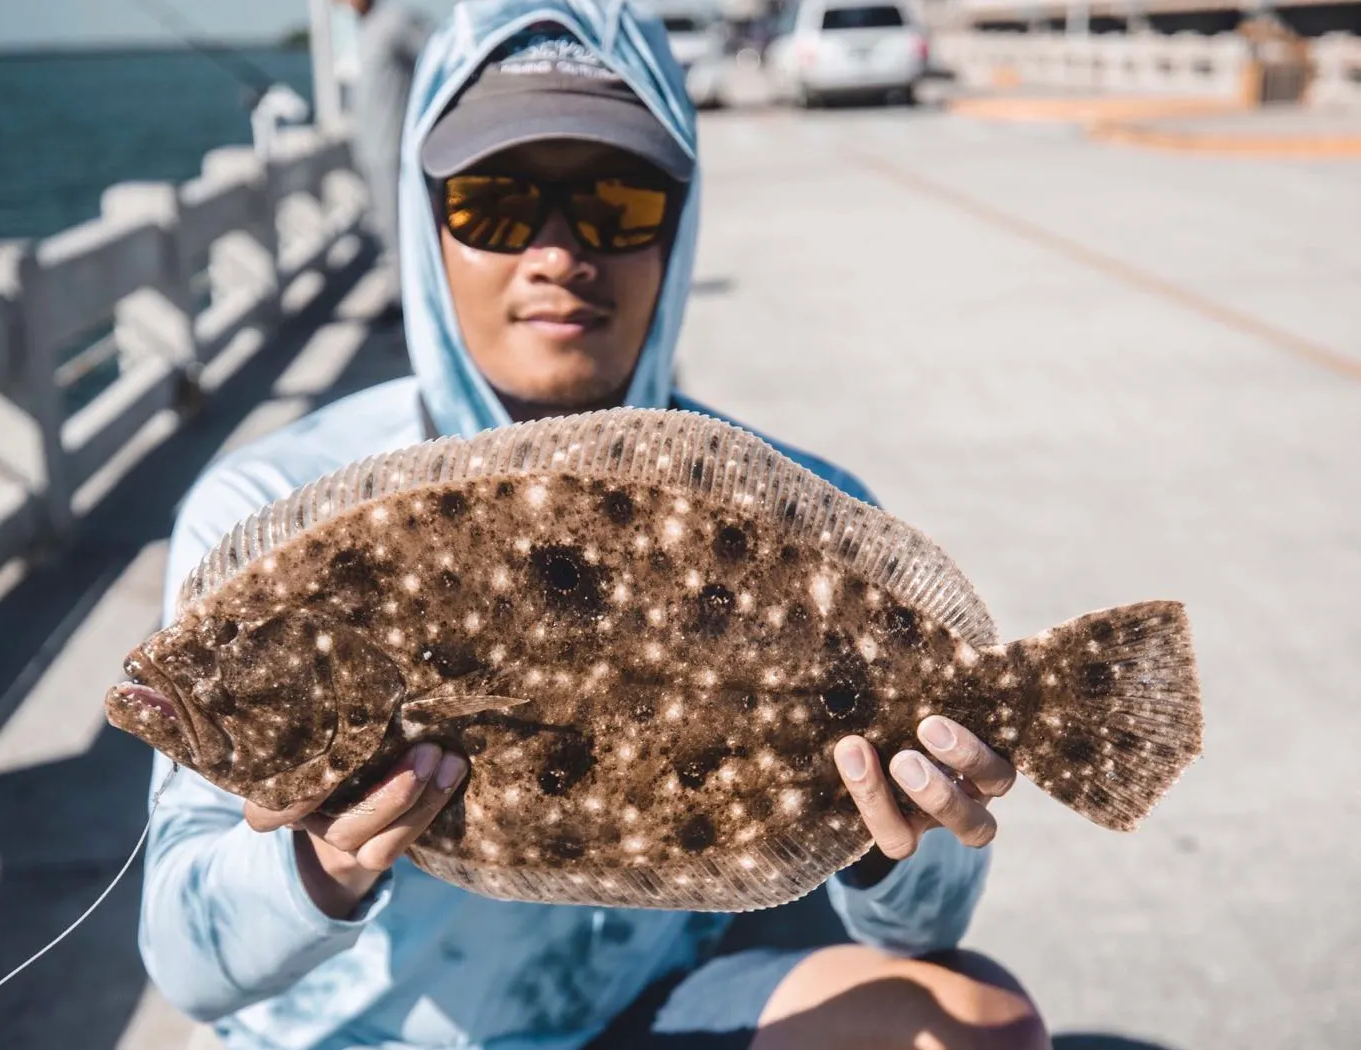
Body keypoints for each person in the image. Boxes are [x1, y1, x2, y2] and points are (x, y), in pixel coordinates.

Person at [140, 2, 1051, 1048]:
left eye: (617, 204)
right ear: (426, 215)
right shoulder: (271, 513)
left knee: (971, 1024)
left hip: (649, 1008)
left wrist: (908, 837)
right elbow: (186, 964)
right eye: (495, 204)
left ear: (679, 222)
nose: (558, 253)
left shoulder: (803, 518)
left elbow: (922, 931)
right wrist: (318, 863)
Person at [336, 0, 452, 314]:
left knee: (404, 229)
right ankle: (403, 296)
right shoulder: (361, 30)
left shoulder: (396, 22)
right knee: (386, 228)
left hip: (394, 150)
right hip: (371, 151)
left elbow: (443, 59)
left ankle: (412, 304)